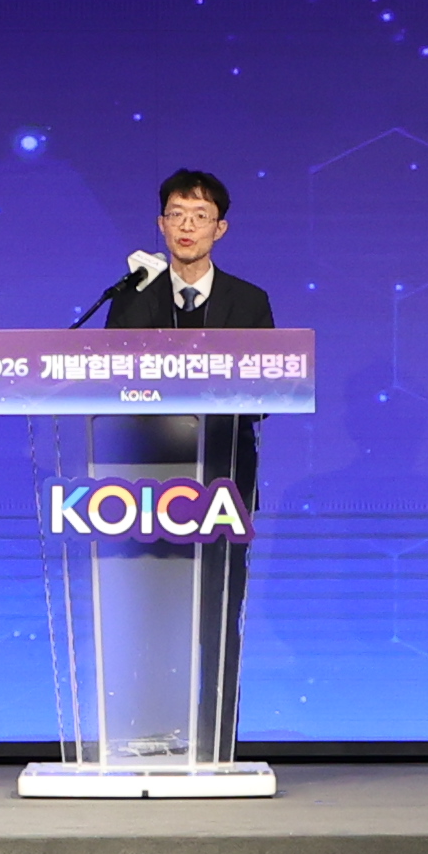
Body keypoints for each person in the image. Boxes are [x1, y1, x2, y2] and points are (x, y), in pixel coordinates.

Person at [88, 168, 278, 757]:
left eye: (200, 216)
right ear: (160, 224)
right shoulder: (133, 296)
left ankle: (214, 740)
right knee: (147, 605)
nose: (186, 226)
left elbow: (265, 394)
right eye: (176, 215)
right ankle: (144, 731)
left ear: (220, 228)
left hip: (223, 474)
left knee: (219, 606)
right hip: (145, 478)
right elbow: (113, 383)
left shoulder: (249, 301)